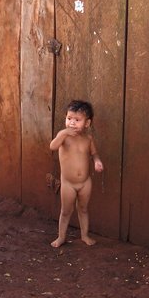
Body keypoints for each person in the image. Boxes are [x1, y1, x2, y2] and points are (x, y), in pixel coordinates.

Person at [50, 100, 104, 247]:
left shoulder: (88, 139)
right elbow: (52, 146)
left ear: (87, 123)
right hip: (68, 183)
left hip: (85, 182)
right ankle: (61, 237)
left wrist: (97, 161)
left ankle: (84, 235)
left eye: (77, 120)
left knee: (83, 209)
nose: (72, 123)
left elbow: (94, 154)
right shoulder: (64, 137)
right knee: (66, 211)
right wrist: (62, 133)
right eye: (69, 119)